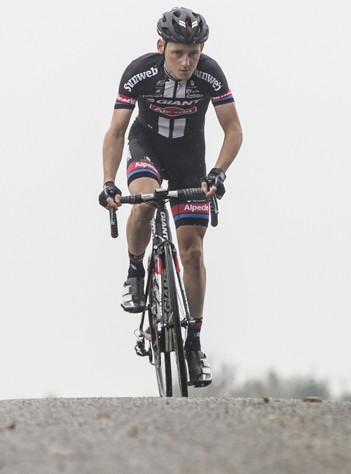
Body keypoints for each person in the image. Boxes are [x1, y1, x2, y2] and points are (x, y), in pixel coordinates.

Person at [98, 7, 243, 388]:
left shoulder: (211, 74)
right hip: (147, 146)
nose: (186, 62)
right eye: (178, 52)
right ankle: (135, 268)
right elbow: (116, 131)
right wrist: (109, 182)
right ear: (161, 46)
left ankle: (193, 343)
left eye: (193, 53)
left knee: (192, 252)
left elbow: (233, 131)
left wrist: (217, 172)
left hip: (189, 155)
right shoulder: (140, 71)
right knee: (144, 201)